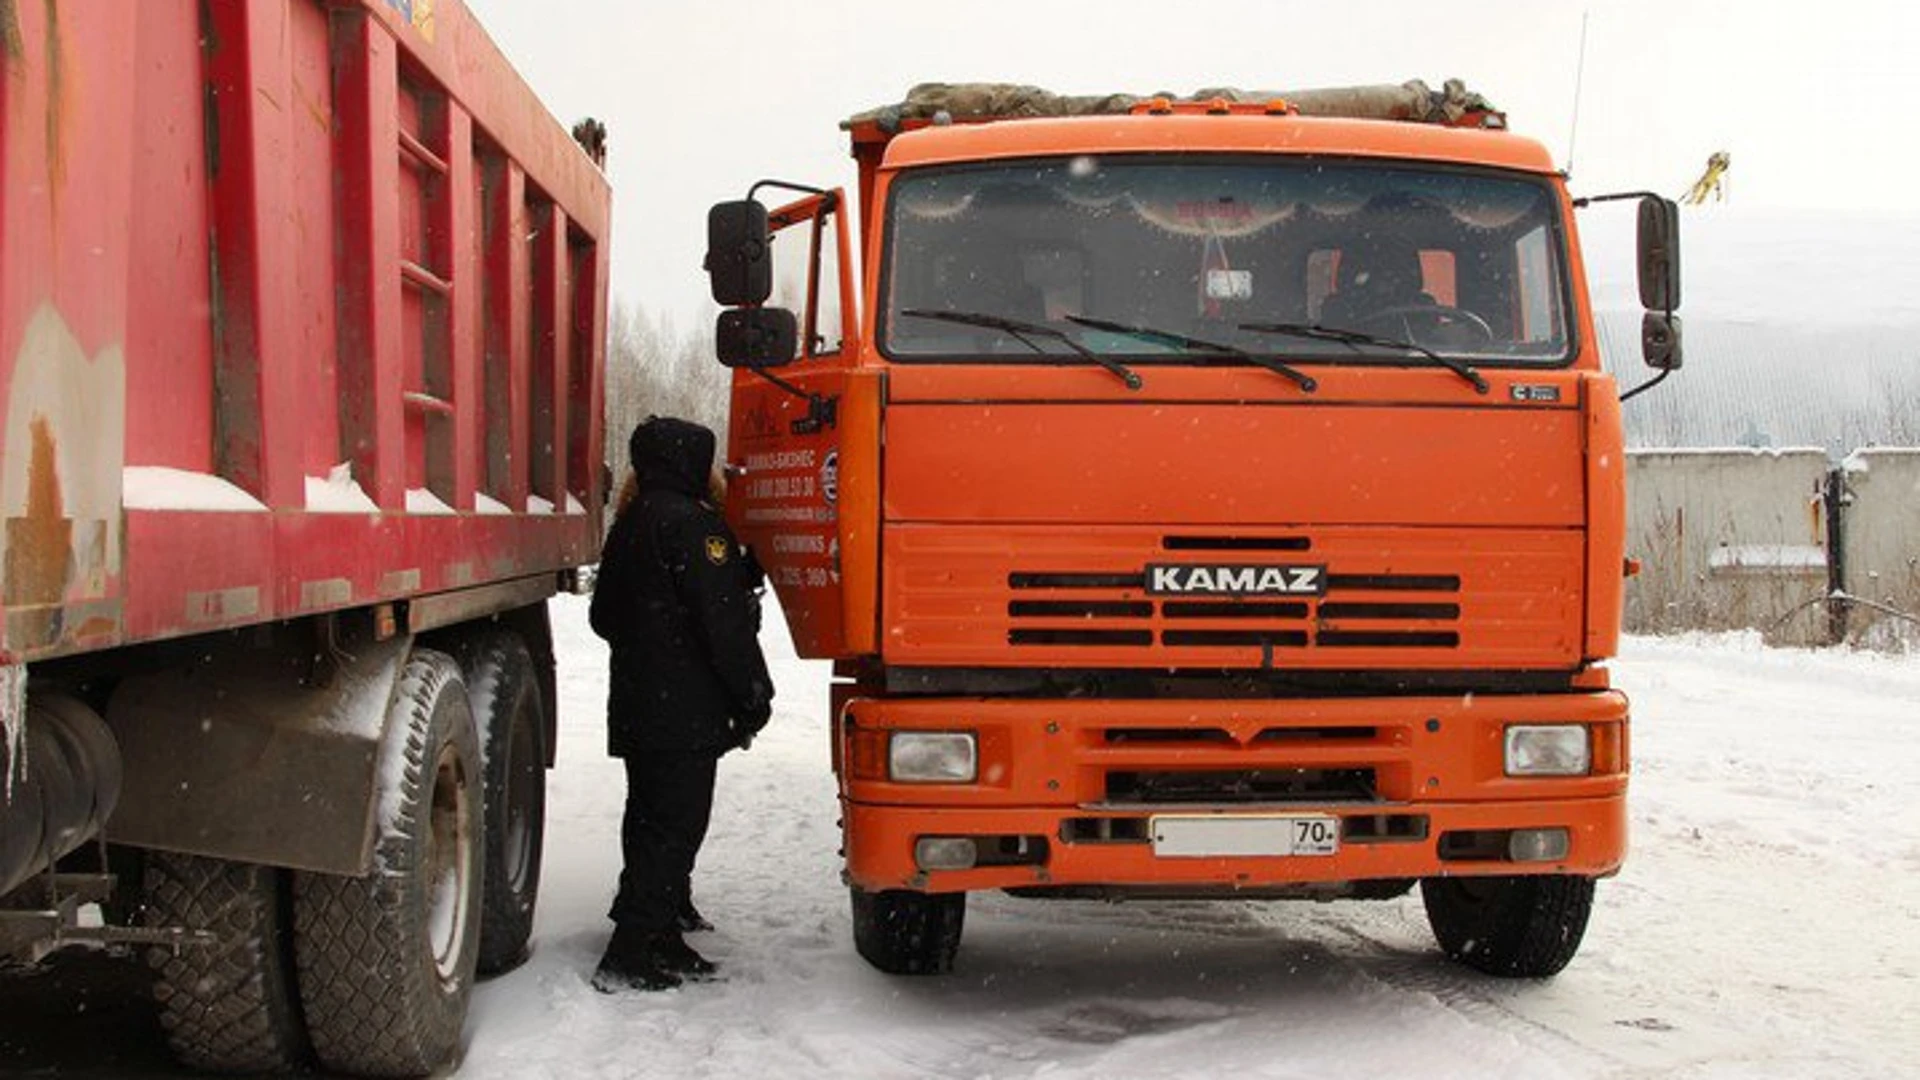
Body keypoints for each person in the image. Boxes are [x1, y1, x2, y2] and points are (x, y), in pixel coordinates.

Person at [588, 416, 774, 992]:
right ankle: (630, 949)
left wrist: (653, 638)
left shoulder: (630, 524)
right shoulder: (698, 528)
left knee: (647, 820)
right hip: (685, 712)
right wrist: (754, 695)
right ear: (694, 461)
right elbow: (724, 627)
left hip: (641, 706)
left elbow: (603, 617)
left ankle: (660, 931)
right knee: (675, 827)